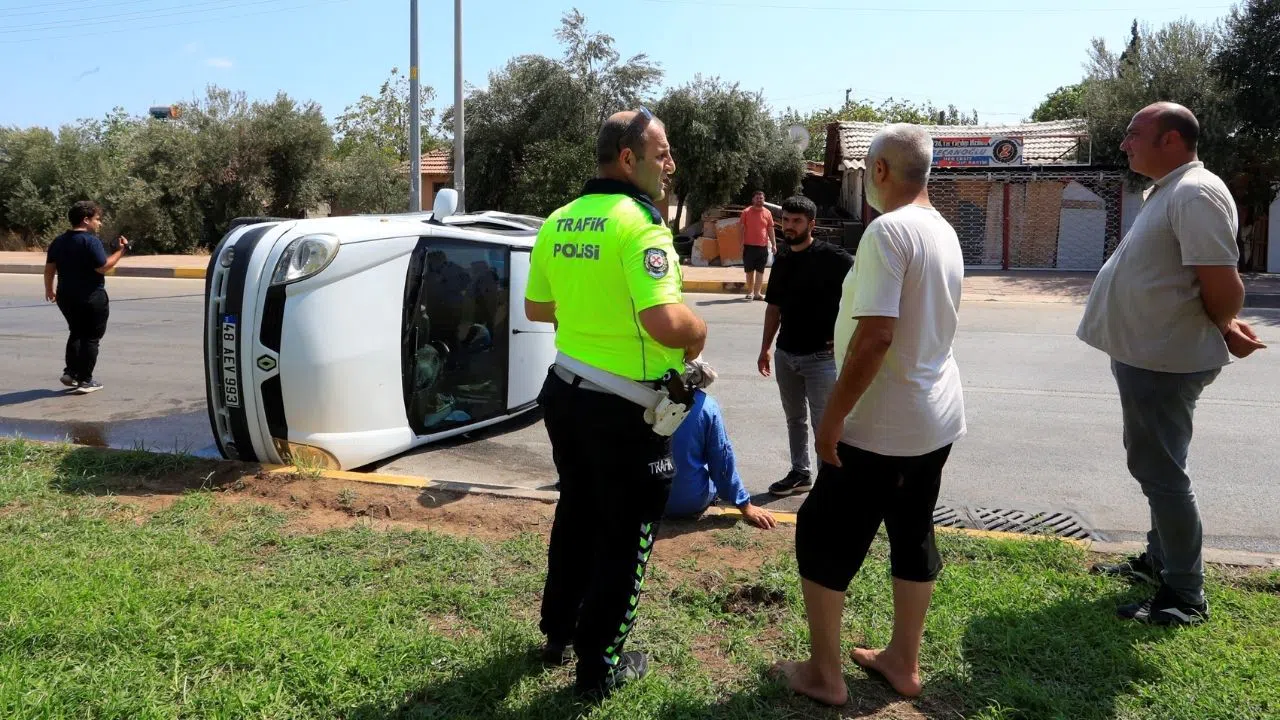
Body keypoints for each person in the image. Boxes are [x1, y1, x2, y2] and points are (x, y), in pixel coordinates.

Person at [775, 123, 966, 705]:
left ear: (880, 172)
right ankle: (902, 662)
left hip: (882, 426)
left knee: (822, 535)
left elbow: (876, 338)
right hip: (935, 419)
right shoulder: (944, 230)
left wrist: (831, 420)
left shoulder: (887, 232)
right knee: (912, 531)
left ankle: (824, 674)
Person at [525, 107, 708, 700]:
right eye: (662, 153)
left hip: (565, 394)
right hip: (625, 412)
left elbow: (538, 308)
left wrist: (594, 311)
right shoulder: (641, 226)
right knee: (627, 537)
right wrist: (698, 332)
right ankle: (599, 666)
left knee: (577, 513)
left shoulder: (560, 220)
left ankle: (557, 632)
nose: (670, 164)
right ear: (628, 159)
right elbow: (663, 321)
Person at [1078, 102, 1265, 626]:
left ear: (1171, 140)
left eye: (1134, 134)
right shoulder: (1172, 190)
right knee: (1163, 466)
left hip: (1163, 361)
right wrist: (1224, 327)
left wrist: (1225, 323)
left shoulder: (1195, 192)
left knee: (1161, 472)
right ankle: (1161, 560)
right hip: (1150, 356)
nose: (1123, 143)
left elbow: (1223, 284)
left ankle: (1185, 594)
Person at [757, 195, 853, 497]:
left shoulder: (833, 258)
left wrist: (845, 334)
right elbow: (773, 307)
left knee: (824, 423)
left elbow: (863, 290)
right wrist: (766, 348)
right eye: (785, 219)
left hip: (821, 357)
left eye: (796, 221)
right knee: (794, 419)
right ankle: (801, 473)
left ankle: (830, 481)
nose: (789, 226)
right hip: (787, 354)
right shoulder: (783, 258)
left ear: (811, 224)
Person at [43, 201, 128, 395]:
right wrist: (121, 251)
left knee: (76, 332)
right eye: (97, 219)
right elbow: (103, 267)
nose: (100, 224)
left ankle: (71, 373)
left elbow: (49, 269)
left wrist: (49, 289)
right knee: (91, 338)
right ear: (86, 220)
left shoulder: (59, 241)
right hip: (91, 297)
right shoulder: (90, 241)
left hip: (66, 296)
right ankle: (86, 380)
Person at [664, 384, 777, 529]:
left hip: (639, 501)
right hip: (687, 503)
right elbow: (722, 463)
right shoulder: (705, 404)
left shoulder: (633, 399)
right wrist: (745, 505)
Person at [740, 190, 775, 301]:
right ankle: (750, 292)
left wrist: (774, 244)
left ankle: (757, 293)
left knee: (760, 271)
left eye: (761, 198)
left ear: (764, 200)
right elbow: (741, 229)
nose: (759, 200)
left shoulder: (767, 213)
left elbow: (770, 229)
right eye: (757, 198)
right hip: (749, 246)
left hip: (762, 247)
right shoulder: (746, 212)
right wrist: (740, 244)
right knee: (749, 271)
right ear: (753, 199)